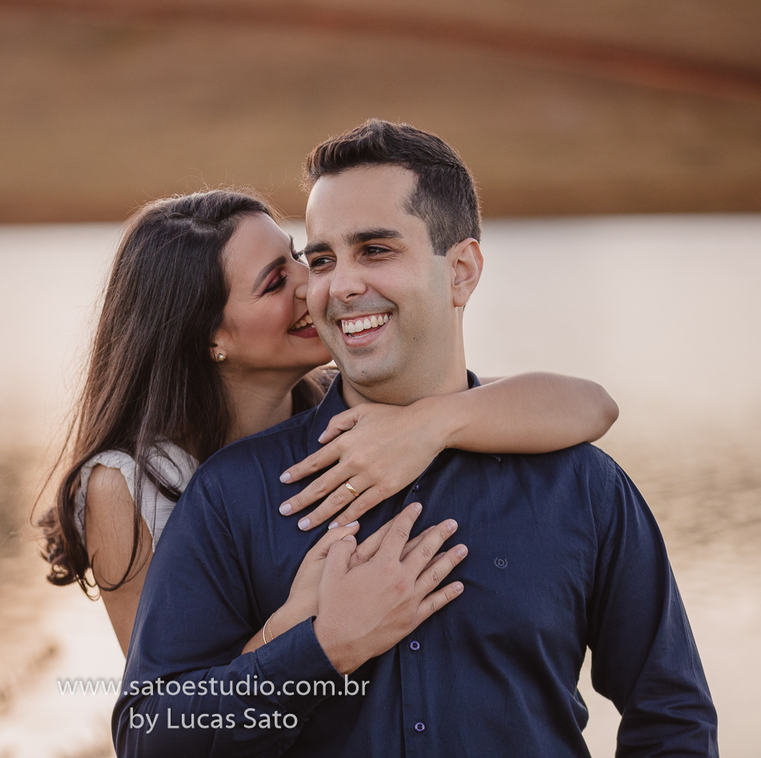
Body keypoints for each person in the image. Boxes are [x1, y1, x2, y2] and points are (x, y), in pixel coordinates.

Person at [113, 120, 716, 756]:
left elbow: (671, 717)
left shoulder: (580, 484)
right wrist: (320, 649)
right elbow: (148, 738)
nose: (339, 285)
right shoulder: (233, 494)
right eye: (321, 259)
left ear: (461, 271)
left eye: (375, 250)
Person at [39, 189, 618, 656]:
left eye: (298, 257)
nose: (319, 285)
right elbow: (175, 714)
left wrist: (433, 424)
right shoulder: (128, 485)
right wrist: (304, 625)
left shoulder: (355, 409)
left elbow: (592, 405)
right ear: (209, 334)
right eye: (274, 282)